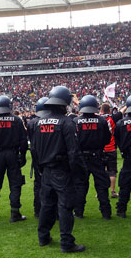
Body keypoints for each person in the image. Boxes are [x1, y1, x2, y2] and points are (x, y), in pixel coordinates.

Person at [32, 86, 85, 253]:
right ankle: (67, 243)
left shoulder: (38, 122)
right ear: (65, 104)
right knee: (65, 205)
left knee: (47, 205)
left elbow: (34, 149)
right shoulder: (66, 122)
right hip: (61, 171)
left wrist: (40, 169)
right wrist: (77, 172)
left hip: (45, 170)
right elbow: (73, 151)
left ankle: (43, 237)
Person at [73, 95, 111, 219]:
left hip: (81, 158)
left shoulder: (76, 121)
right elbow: (107, 139)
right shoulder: (101, 121)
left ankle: (79, 212)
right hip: (97, 157)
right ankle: (106, 212)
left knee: (80, 186)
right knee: (101, 185)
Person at [27, 97, 50, 218]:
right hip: (52, 157)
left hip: (37, 157)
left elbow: (31, 139)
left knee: (38, 184)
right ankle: (54, 211)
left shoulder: (32, 123)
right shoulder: (55, 121)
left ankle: (38, 210)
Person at [99, 103, 125, 198]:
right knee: (112, 171)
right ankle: (113, 191)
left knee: (102, 171)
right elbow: (122, 111)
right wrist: (126, 105)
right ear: (109, 110)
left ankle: (100, 192)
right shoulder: (113, 118)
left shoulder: (98, 119)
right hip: (111, 148)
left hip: (101, 149)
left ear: (101, 110)